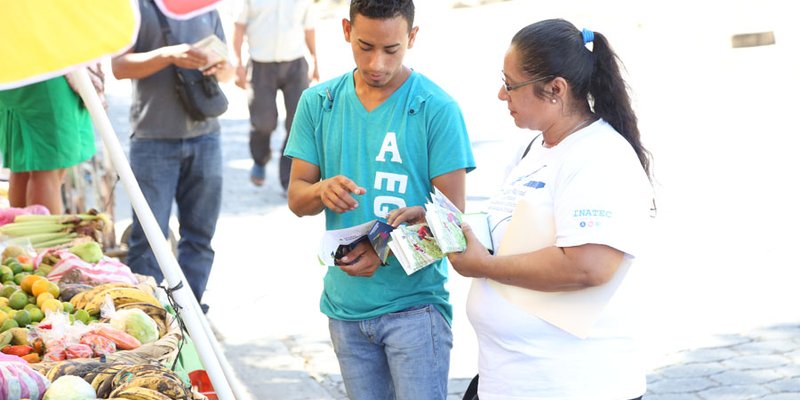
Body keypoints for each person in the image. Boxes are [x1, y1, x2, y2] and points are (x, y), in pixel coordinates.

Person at [449, 19, 654, 400]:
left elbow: (588, 265)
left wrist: (484, 267)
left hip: (574, 386)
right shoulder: (534, 151)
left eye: (510, 85)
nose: (501, 94)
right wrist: (439, 227)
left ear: (555, 89)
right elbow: (505, 237)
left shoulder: (599, 156)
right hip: (511, 380)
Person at [284, 1, 475, 398]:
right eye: (365, 46)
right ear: (345, 30)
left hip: (416, 311)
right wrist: (321, 190)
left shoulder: (436, 109)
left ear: (413, 38)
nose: (377, 64)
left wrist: (386, 250)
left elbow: (453, 225)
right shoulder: (318, 102)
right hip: (344, 308)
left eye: (392, 50)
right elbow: (298, 199)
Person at [111, 0, 233, 309]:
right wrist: (168, 55)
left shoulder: (206, 7)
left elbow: (230, 70)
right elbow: (118, 66)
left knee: (201, 236)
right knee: (149, 239)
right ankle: (145, 314)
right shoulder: (138, 8)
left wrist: (219, 66)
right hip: (153, 140)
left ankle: (190, 312)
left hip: (206, 136)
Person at [232, 0, 320, 190]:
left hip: (295, 65)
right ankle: (260, 159)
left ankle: (288, 177)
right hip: (260, 66)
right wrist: (238, 63)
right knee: (264, 122)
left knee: (297, 123)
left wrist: (315, 60)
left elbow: (309, 29)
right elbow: (239, 27)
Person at [0, 76, 96, 215]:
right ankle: (40, 235)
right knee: (47, 167)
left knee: (24, 165)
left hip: (16, 71)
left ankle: (22, 235)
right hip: (43, 73)